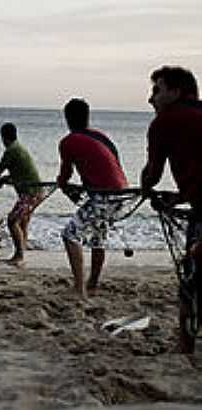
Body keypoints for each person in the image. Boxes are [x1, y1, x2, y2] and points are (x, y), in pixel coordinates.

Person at [140, 65, 202, 353]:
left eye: (157, 90)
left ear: (176, 92)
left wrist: (145, 185)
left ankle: (185, 345)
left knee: (190, 278)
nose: (151, 99)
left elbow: (151, 176)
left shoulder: (166, 121)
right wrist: (180, 197)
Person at [57, 98, 128, 300]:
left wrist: (62, 184)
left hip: (103, 196)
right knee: (98, 237)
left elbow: (65, 175)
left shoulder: (68, 141)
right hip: (120, 194)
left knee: (70, 235)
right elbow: (111, 164)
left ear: (68, 119)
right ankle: (93, 284)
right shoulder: (100, 136)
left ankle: (79, 289)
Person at [0, 122, 42, 265]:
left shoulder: (11, 150)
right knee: (23, 221)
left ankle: (19, 255)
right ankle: (21, 254)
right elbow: (19, 172)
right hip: (36, 191)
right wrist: (6, 179)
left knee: (12, 220)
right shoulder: (19, 148)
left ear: (4, 137)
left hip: (30, 193)